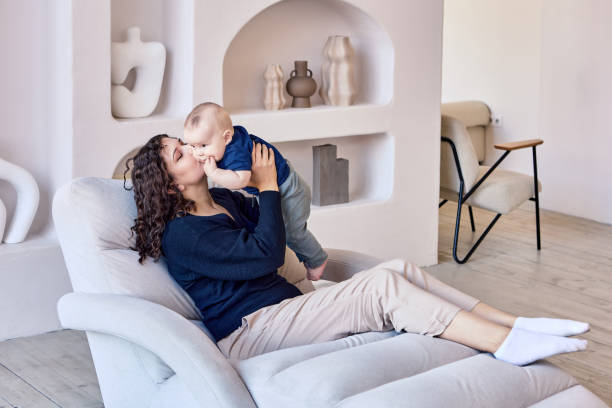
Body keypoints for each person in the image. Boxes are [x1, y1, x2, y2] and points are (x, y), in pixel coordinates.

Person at [126, 134, 590, 364]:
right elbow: (267, 255)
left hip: (286, 310)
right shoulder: (182, 234)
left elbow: (279, 229)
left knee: (399, 267)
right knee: (383, 287)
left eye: (185, 142)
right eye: (181, 153)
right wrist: (265, 189)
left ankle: (513, 321)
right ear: (168, 185)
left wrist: (250, 181)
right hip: (250, 334)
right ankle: (506, 345)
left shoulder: (224, 199)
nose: (192, 148)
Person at [182, 102, 327, 280]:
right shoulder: (221, 143)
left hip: (289, 190)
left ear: (226, 137)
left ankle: (317, 260)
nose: (198, 153)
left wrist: (214, 173)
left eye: (203, 146)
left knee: (291, 231)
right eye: (192, 146)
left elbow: (240, 180)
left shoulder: (234, 152)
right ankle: (305, 256)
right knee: (281, 229)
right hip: (278, 187)